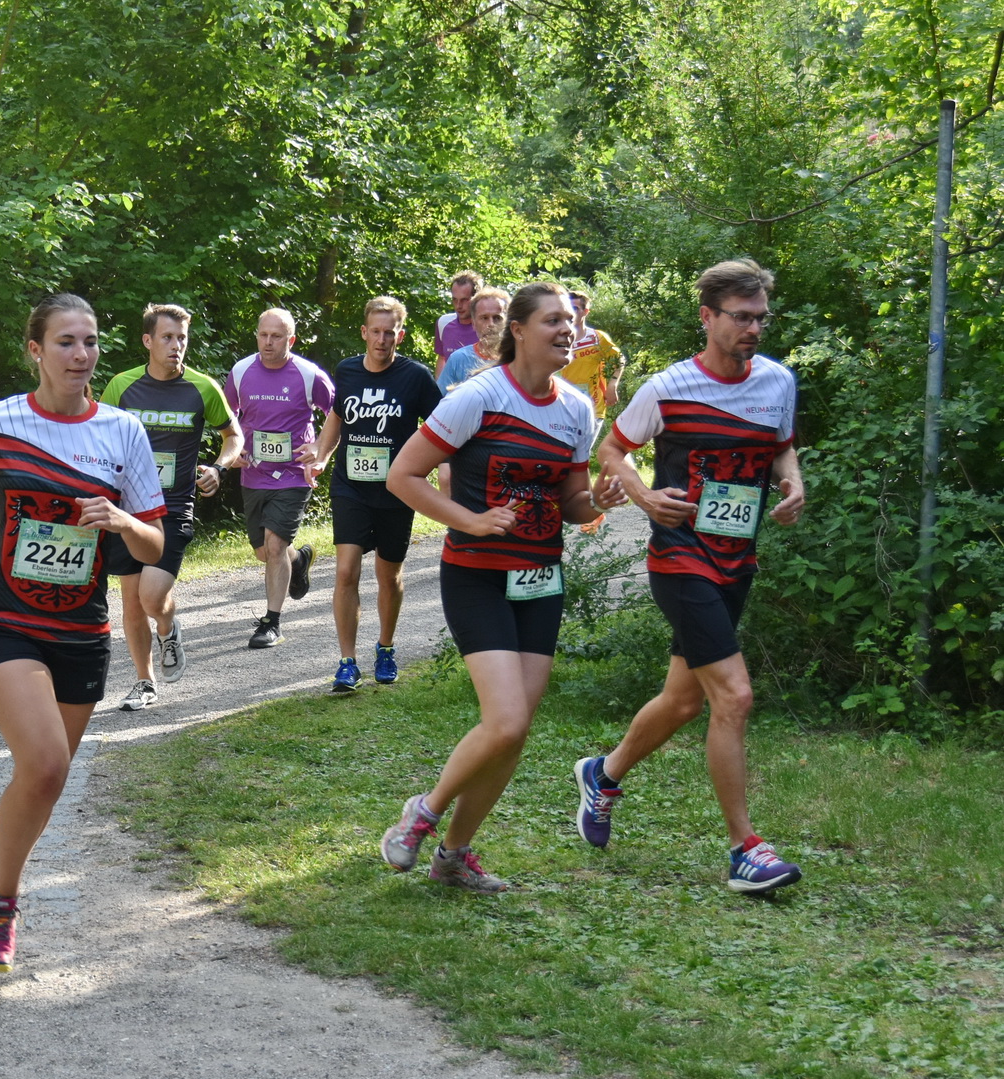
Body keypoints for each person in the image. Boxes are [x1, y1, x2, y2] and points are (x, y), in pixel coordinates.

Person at [0, 293, 166, 971]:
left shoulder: (122, 431)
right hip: (4, 619)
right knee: (44, 764)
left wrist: (122, 522)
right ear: (35, 350)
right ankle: (3, 906)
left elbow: (154, 545)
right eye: (65, 342)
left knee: (43, 781)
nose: (81, 355)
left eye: (90, 342)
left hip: (81, 629)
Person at [377, 283, 623, 892]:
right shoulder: (478, 397)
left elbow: (569, 499)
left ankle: (454, 856)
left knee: (514, 728)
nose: (568, 330)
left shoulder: (576, 407)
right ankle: (423, 814)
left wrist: (598, 499)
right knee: (506, 720)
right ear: (517, 329)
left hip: (540, 577)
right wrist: (471, 520)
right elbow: (403, 476)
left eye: (571, 320)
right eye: (552, 321)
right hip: (478, 575)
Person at [573, 259, 806, 894]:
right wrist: (644, 497)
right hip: (680, 559)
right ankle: (745, 849)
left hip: (738, 560)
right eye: (741, 317)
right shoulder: (670, 387)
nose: (754, 327)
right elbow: (613, 449)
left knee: (682, 699)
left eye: (761, 317)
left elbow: (781, 444)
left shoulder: (778, 383)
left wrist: (793, 480)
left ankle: (604, 773)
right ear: (708, 317)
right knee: (733, 696)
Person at [101, 304, 243, 710]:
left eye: (182, 338)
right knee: (130, 600)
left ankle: (166, 625)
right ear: (148, 341)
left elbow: (234, 436)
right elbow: (100, 437)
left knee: (151, 595)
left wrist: (219, 467)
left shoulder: (202, 388)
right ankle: (145, 683)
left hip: (173, 508)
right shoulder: (122, 387)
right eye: (167, 338)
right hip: (127, 511)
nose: (176, 346)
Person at [319, 296, 442, 691]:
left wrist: (444, 473)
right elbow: (336, 416)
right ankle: (347, 662)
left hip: (396, 490)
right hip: (350, 486)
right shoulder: (348, 370)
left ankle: (385, 648)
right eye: (376, 331)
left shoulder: (416, 377)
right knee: (345, 570)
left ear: (400, 335)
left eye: (390, 333)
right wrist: (321, 456)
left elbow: (440, 429)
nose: (382, 339)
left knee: (388, 575)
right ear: (364, 332)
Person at [224, 307, 336, 648]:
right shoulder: (242, 371)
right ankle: (298, 561)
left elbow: (338, 415)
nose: (268, 342)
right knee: (265, 551)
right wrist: (233, 450)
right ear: (256, 334)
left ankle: (271, 623)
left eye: (277, 336)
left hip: (293, 474)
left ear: (291, 339)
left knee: (275, 545)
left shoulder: (308, 374)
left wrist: (320, 452)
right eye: (263, 335)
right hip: (253, 474)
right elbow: (225, 418)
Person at [559, 290, 627, 423]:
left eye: (575, 309)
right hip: (562, 406)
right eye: (568, 308)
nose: (571, 313)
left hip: (593, 407)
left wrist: (612, 385)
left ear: (586, 312)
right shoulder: (556, 337)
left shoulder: (596, 338)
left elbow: (618, 359)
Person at [438, 286, 510, 392]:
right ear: (474, 323)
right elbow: (440, 401)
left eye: (497, 318)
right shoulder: (458, 359)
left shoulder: (518, 359)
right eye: (484, 318)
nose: (491, 324)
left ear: (508, 322)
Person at [433, 270, 484, 378]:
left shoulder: (487, 327)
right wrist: (438, 390)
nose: (458, 306)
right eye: (455, 300)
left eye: (464, 300)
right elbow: (442, 358)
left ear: (476, 298)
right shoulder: (443, 323)